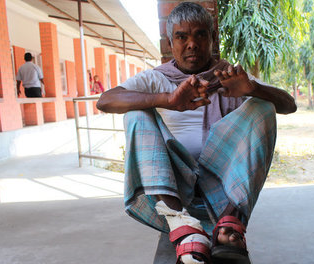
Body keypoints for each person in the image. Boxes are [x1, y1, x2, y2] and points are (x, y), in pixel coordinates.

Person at [97, 2, 296, 263]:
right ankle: (183, 225)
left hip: (222, 182)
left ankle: (228, 226)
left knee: (263, 107)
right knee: (136, 113)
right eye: (182, 36)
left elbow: (288, 105)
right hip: (175, 186)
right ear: (170, 43)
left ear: (212, 39)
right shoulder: (156, 80)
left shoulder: (228, 77)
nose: (192, 44)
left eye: (200, 34)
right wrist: (167, 100)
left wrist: (251, 90)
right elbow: (105, 101)